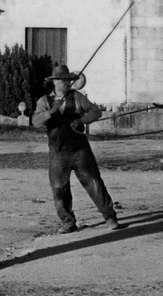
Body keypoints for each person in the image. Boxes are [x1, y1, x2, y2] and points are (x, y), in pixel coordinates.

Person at [31, 63, 126, 234]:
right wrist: (51, 111)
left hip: (80, 150)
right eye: (63, 80)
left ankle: (110, 218)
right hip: (58, 152)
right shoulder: (44, 101)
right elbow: (36, 122)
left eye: (68, 80)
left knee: (94, 183)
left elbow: (96, 112)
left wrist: (82, 120)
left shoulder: (77, 97)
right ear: (55, 82)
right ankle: (68, 222)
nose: (67, 83)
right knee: (59, 188)